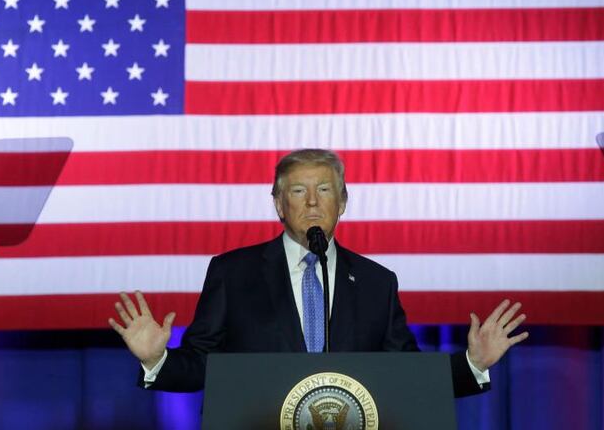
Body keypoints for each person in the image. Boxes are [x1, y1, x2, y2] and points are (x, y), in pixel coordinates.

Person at [109, 149, 528, 397]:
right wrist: (157, 360)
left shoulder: (377, 283)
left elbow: (405, 375)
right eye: (297, 191)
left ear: (343, 202)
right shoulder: (232, 274)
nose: (312, 202)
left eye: (324, 190)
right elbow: (202, 365)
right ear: (278, 204)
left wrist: (472, 363)